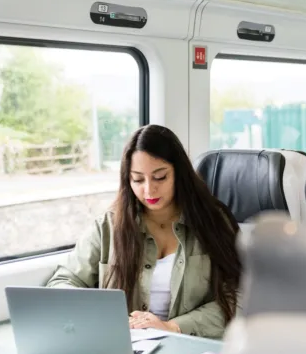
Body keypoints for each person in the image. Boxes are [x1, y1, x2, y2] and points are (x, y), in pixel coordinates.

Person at [45, 124, 241, 339]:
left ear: (179, 173)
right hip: (125, 346)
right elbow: (63, 282)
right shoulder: (109, 226)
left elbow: (241, 297)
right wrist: (99, 315)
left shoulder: (214, 222)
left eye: (160, 177)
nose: (149, 189)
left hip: (192, 346)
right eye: (138, 179)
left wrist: (173, 327)